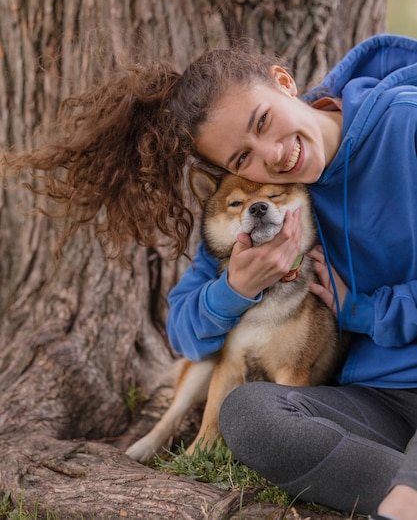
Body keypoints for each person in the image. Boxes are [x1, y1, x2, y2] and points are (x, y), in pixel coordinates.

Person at [4, 34, 417, 519]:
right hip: (380, 400)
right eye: (242, 159)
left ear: (284, 83)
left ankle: (401, 501)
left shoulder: (405, 123)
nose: (273, 154)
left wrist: (364, 310)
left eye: (262, 120)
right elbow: (185, 329)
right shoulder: (271, 200)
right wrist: (236, 288)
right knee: (248, 414)